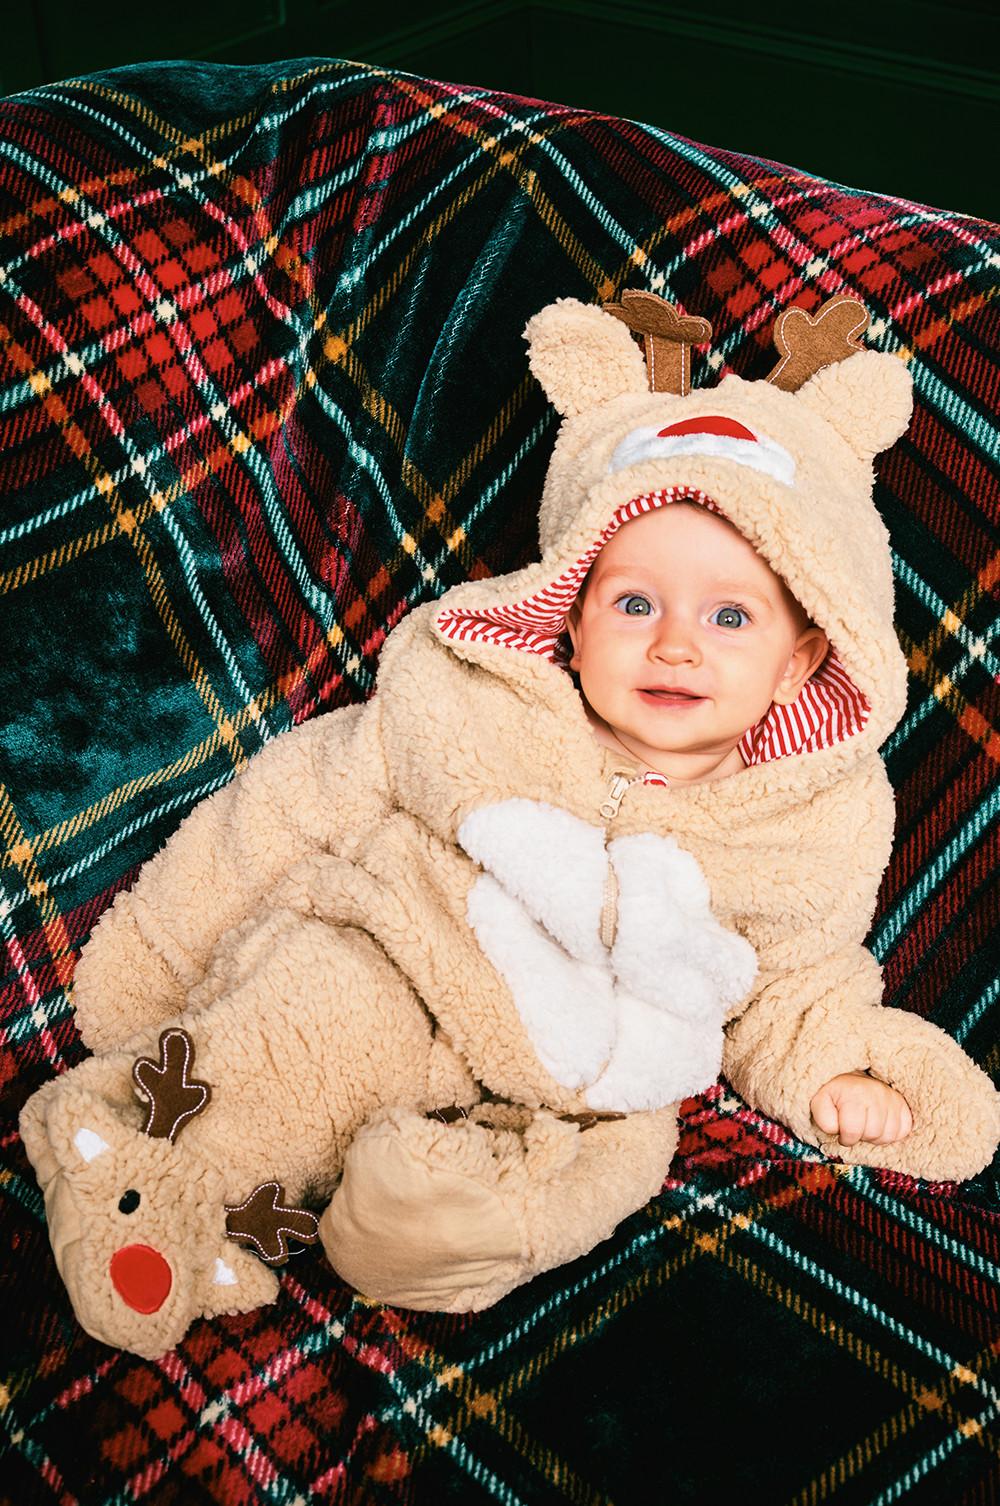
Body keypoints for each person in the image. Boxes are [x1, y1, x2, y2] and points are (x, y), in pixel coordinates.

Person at [561, 496, 914, 1151]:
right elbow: (353, 785)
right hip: (444, 983)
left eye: (729, 617)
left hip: (603, 1088)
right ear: (577, 632)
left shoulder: (785, 829)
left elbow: (787, 986)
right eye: (636, 605)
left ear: (794, 667)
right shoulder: (515, 730)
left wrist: (827, 1075)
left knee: (609, 1162)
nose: (674, 647)